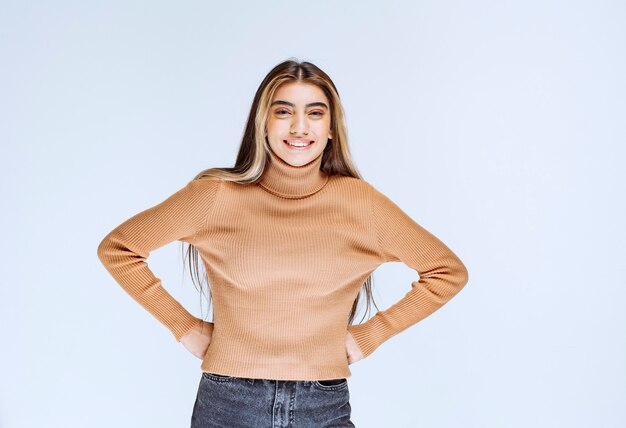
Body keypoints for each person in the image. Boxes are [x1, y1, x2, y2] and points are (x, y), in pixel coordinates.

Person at [97, 58, 469, 428]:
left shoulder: (361, 203)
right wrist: (184, 327)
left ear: (331, 129)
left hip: (323, 403)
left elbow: (446, 272)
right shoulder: (214, 196)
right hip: (228, 402)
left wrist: (371, 334)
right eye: (283, 111)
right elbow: (119, 249)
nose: (299, 126)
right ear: (263, 124)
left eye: (315, 113)